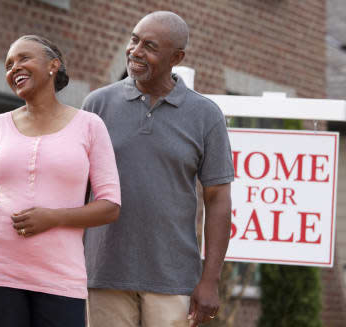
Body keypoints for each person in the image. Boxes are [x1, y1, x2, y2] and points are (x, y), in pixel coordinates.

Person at [82, 11, 234, 327]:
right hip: (103, 271)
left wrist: (210, 279)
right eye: (134, 40)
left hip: (173, 276)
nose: (136, 52)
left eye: (149, 46)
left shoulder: (206, 116)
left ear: (176, 57)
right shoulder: (97, 105)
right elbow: (77, 188)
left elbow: (218, 199)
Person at [0, 34, 121, 327]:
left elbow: (110, 206)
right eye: (9, 64)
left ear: (53, 65)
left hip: (60, 275)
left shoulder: (89, 126)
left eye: (24, 58)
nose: (14, 68)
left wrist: (53, 217)